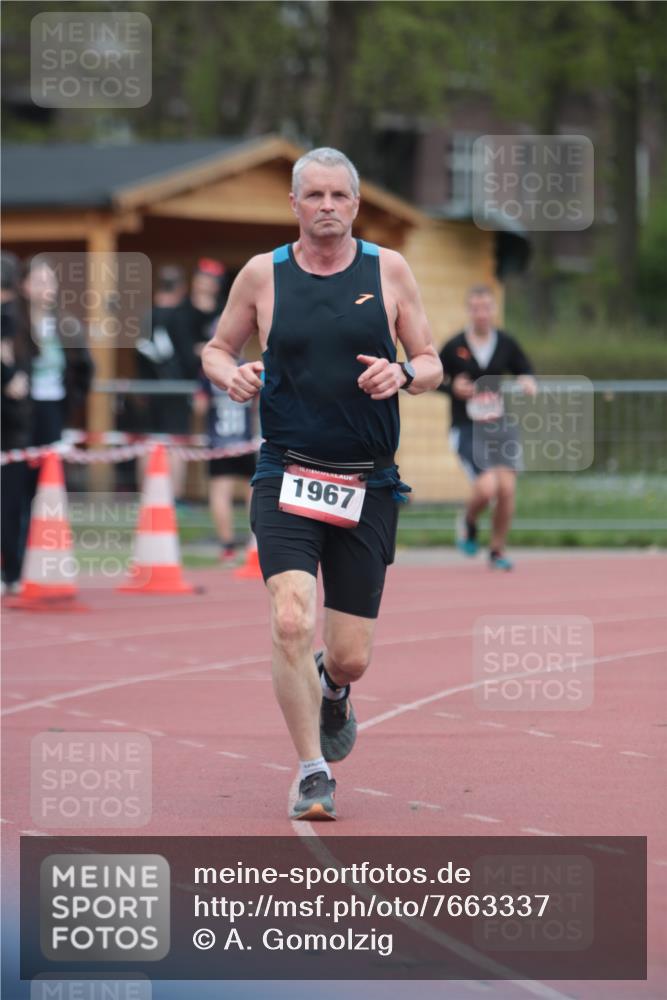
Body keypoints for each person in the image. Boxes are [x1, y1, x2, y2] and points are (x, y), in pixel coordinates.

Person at [203, 147, 442, 821]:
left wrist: (401, 374)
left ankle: (333, 688)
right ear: (294, 204)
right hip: (286, 473)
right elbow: (217, 347)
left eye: (339, 196)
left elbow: (428, 362)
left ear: (356, 204)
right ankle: (312, 771)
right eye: (315, 196)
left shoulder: (387, 270)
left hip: (366, 482)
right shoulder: (262, 274)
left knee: (350, 655)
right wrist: (230, 373)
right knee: (288, 618)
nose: (327, 207)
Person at [438, 284, 537, 571]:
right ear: (469, 311)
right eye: (476, 308)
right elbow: (433, 377)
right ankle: (468, 520)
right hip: (466, 428)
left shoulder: (505, 343)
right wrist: (451, 386)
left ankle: (497, 550)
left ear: (494, 310)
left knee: (506, 489)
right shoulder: (455, 345)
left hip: (499, 426)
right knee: (486, 488)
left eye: (486, 308)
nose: (481, 314)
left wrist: (528, 381)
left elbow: (525, 368)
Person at [135, 265, 200, 499]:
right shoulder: (180, 318)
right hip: (177, 390)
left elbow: (139, 356)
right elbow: (187, 358)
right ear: (181, 290)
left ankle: (147, 495)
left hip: (149, 390)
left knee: (148, 443)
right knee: (176, 444)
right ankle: (174, 497)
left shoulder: (145, 317)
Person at [193, 364, 258, 564]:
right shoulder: (248, 369)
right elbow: (257, 405)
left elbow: (199, 408)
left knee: (221, 494)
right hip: (245, 441)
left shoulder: (210, 372)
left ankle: (227, 546)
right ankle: (255, 542)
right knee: (254, 491)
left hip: (220, 442)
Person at [1, 252, 31, 595]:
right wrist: (13, 378)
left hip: (10, 421)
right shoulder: (11, 317)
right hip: (10, 420)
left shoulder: (11, 316)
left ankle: (11, 569)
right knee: (10, 500)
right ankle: (11, 570)